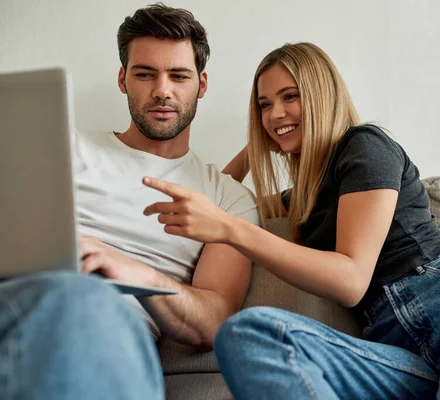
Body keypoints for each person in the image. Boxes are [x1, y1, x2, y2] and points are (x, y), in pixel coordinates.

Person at [143, 42, 440, 399]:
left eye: (290, 97)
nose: (275, 114)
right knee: (250, 333)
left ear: (322, 94)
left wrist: (232, 230)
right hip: (401, 352)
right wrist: (257, 147)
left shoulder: (364, 146)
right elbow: (224, 198)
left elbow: (351, 279)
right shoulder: (306, 196)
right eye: (264, 105)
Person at [0, 4, 257, 400]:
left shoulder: (227, 197)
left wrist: (136, 273)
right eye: (145, 73)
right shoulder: (62, 146)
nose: (162, 90)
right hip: (20, 299)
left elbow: (216, 320)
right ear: (123, 79)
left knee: (87, 301)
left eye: (179, 76)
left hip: (110, 327)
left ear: (201, 85)